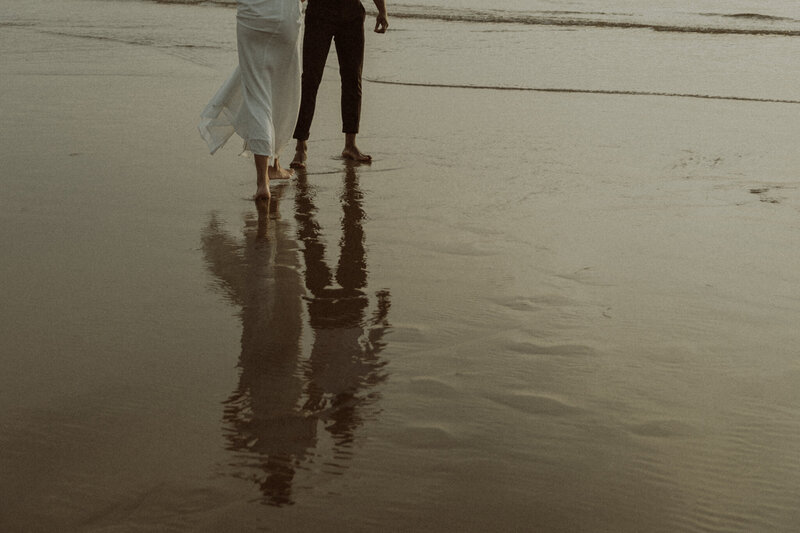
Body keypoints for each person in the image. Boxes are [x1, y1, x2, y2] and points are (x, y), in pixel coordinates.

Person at [199, 0, 305, 201]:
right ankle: (274, 165)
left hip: (253, 17)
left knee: (258, 96)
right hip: (286, 17)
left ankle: (262, 181)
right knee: (281, 91)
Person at [289, 0, 388, 169]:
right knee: (310, 80)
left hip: (351, 16)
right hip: (319, 14)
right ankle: (301, 146)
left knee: (352, 78)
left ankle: (350, 145)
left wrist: (382, 11)